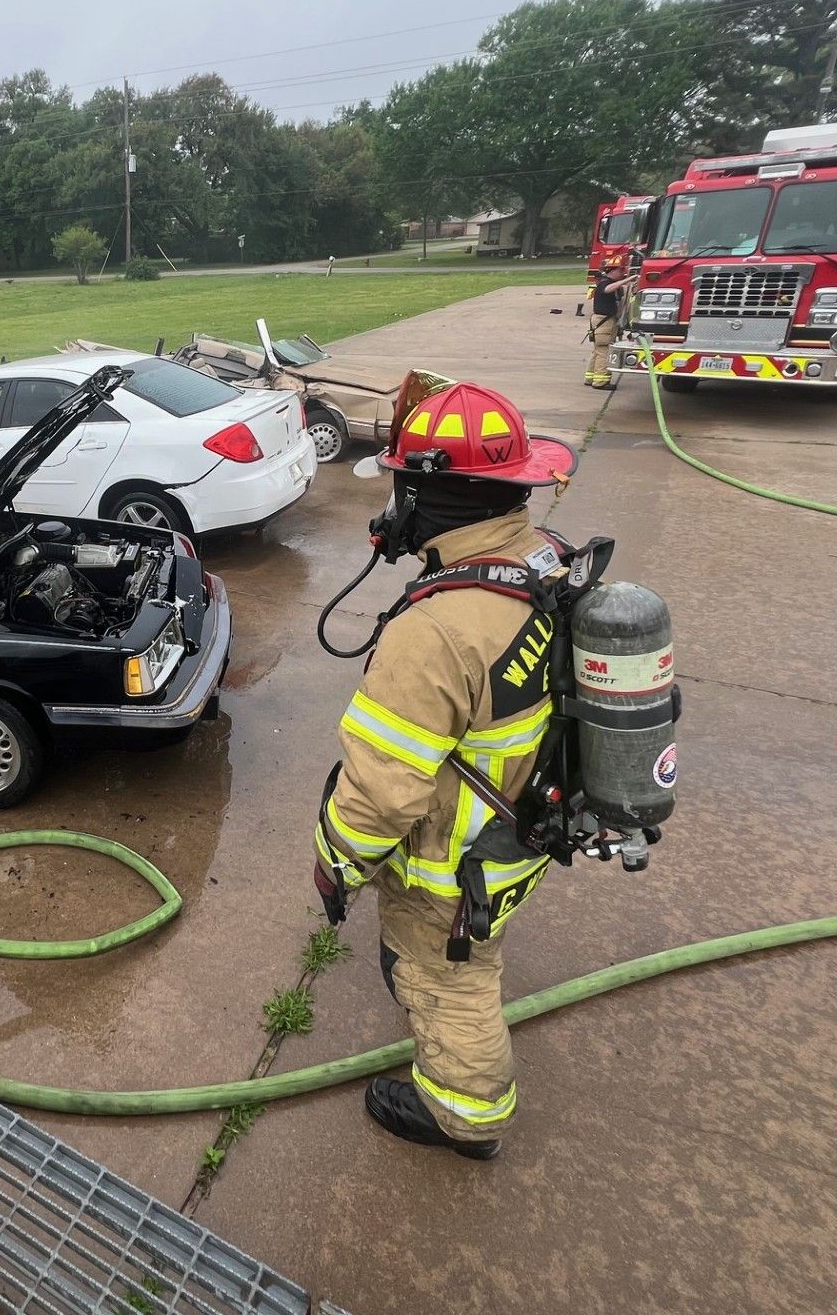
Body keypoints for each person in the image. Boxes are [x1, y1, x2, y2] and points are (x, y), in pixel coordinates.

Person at [311, 377, 576, 1160]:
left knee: (449, 981)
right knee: (458, 961)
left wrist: (336, 865)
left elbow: (382, 792)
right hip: (524, 827)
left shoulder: (435, 631)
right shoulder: (545, 561)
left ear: (423, 491)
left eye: (402, 484)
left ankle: (464, 1115)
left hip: (449, 871)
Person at [585, 257, 636, 389]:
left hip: (604, 321)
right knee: (604, 351)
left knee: (598, 351)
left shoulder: (610, 282)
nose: (623, 273)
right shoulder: (604, 282)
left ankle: (590, 378)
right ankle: (600, 382)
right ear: (612, 271)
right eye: (620, 270)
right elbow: (608, 289)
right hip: (604, 321)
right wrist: (626, 280)